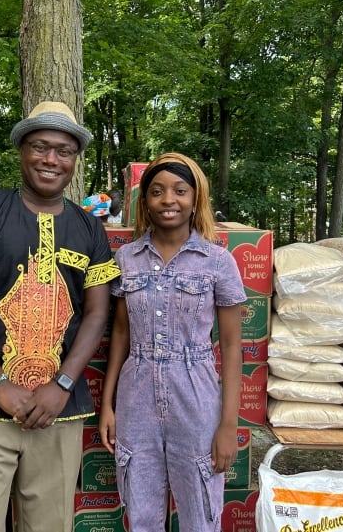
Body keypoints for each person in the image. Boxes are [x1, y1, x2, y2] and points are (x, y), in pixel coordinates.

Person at [0, 101, 121, 532]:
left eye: (64, 150)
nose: (51, 160)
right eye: (40, 146)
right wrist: (0, 385)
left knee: (49, 526)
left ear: (75, 160)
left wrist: (62, 385)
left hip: (58, 410)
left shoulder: (89, 228)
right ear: (21, 149)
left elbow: (97, 313)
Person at [98, 152, 246, 532]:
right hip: (136, 397)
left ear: (196, 198)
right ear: (145, 201)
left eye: (180, 191)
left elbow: (231, 347)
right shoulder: (127, 258)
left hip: (195, 395)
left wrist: (228, 425)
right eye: (158, 191)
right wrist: (108, 405)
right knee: (143, 515)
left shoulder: (217, 261)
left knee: (200, 513)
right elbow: (120, 332)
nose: (169, 200)